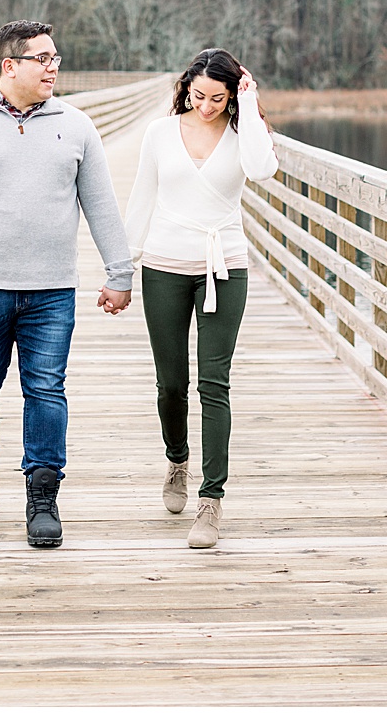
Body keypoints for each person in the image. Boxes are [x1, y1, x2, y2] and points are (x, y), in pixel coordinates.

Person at [0, 20, 135, 547]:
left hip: (52, 291)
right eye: (42, 58)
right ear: (9, 66)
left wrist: (119, 272)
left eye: (55, 57)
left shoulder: (76, 125)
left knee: (46, 390)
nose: (53, 67)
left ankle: (43, 494)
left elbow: (101, 204)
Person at [125, 47, 277, 549]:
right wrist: (122, 269)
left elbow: (262, 169)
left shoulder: (242, 133)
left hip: (224, 266)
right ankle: (177, 460)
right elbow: (142, 197)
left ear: (232, 94)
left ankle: (211, 500)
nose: (207, 106)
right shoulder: (159, 133)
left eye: (218, 98)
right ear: (186, 88)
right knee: (171, 384)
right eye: (198, 96)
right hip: (164, 266)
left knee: (215, 383)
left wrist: (249, 106)